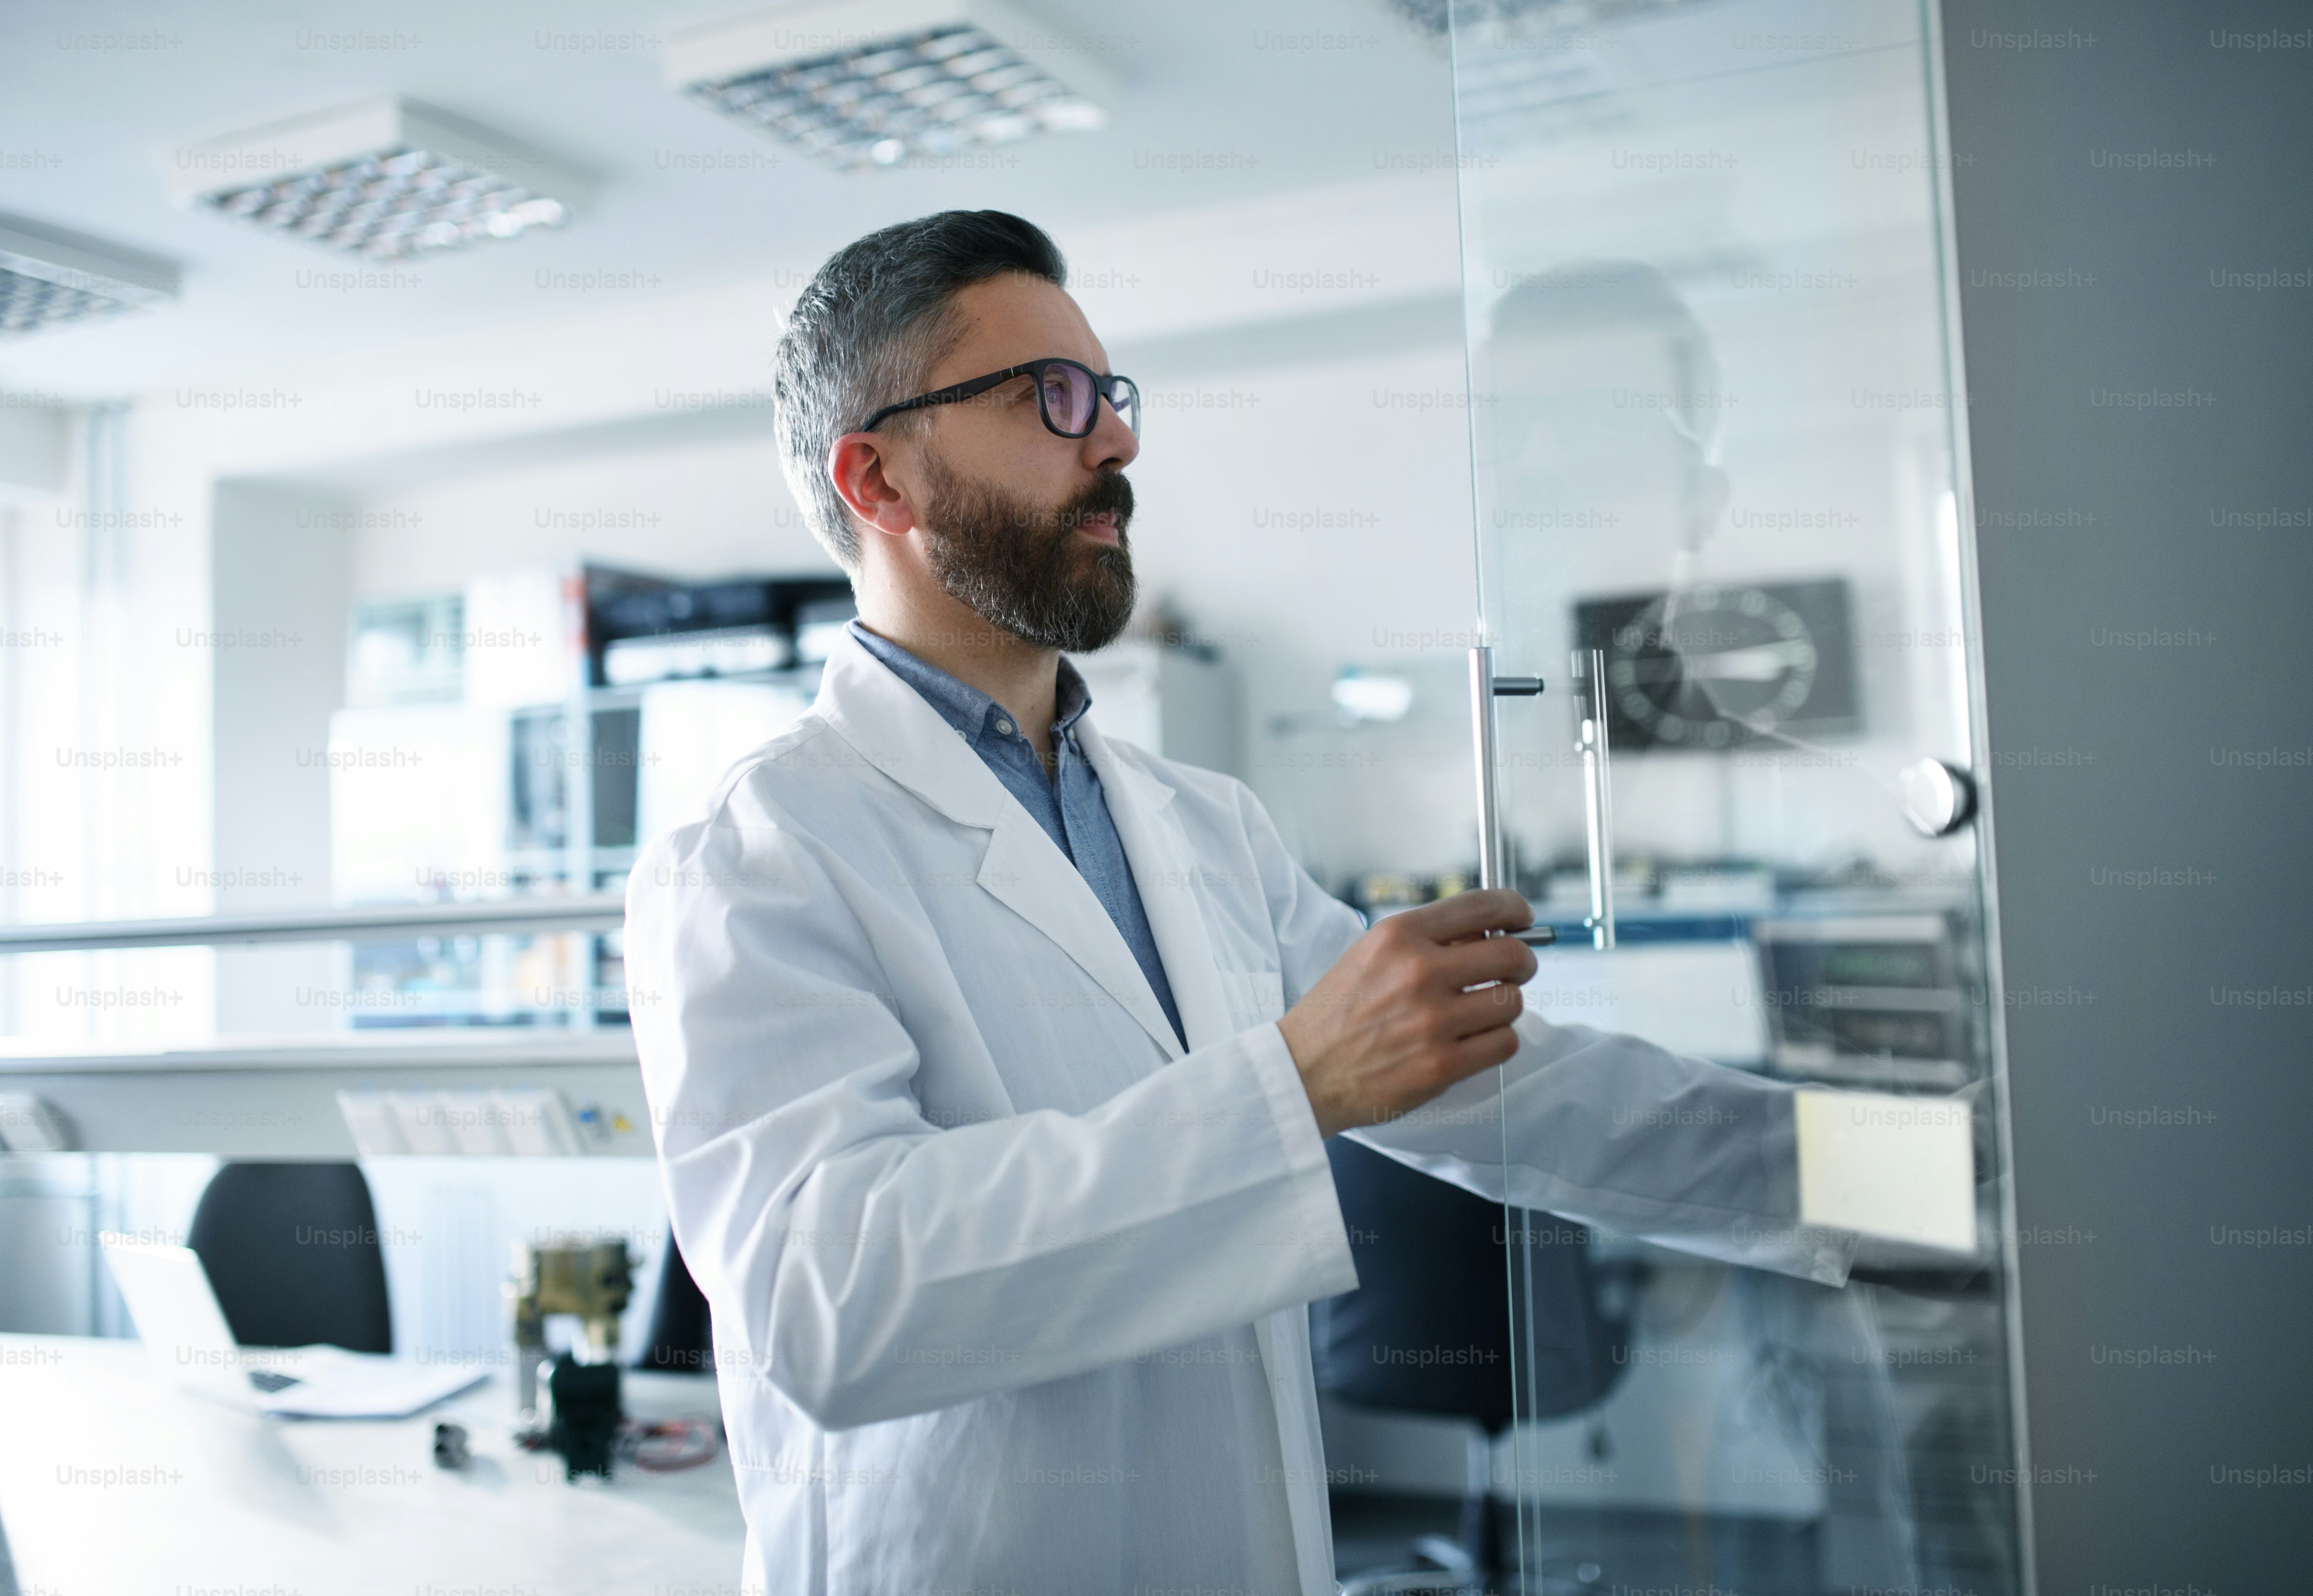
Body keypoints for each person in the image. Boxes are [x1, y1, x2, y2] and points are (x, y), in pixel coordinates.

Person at [624, 210, 1859, 1596]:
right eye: (1053, 399)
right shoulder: (757, 852)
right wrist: (1292, 1084)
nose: (1119, 443)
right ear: (881, 480)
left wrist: (1917, 1183)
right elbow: (830, 1304)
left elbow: (1534, 1097)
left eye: (1111, 395)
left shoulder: (1202, 826)